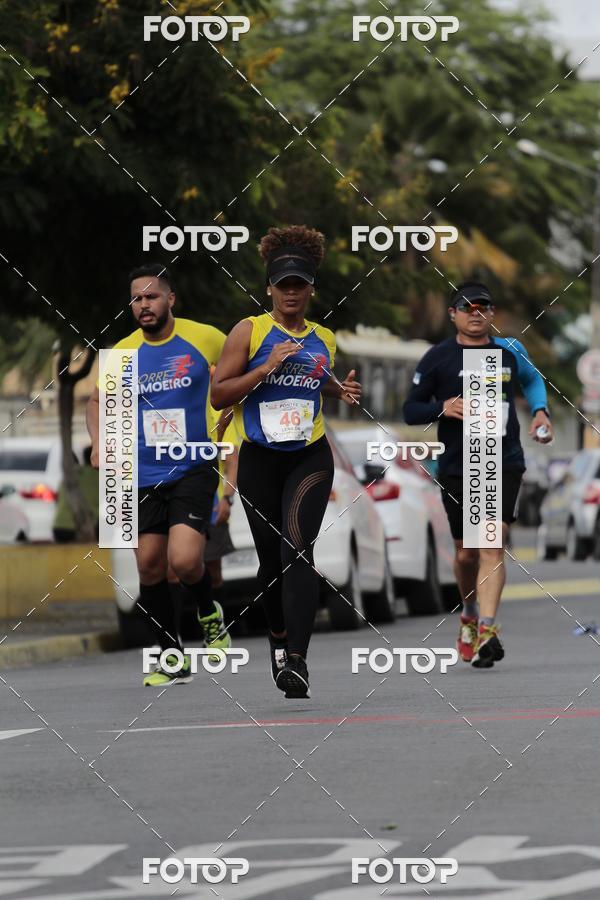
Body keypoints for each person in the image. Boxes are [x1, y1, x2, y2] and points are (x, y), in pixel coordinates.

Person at [211, 225, 361, 698]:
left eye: (300, 285)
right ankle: (278, 637)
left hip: (309, 455)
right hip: (260, 457)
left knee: (298, 549)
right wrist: (265, 366)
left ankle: (297, 659)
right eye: (284, 285)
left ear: (311, 289)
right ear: (269, 289)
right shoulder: (249, 331)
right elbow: (219, 396)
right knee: (270, 563)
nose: (291, 293)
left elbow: (316, 378)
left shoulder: (325, 338)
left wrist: (342, 390)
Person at [86, 264, 232, 686]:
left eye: (151, 297)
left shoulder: (205, 338)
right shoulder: (123, 353)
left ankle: (207, 610)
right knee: (148, 567)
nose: (143, 305)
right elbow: (95, 402)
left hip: (193, 466)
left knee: (184, 561)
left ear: (170, 299)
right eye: (136, 299)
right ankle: (172, 656)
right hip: (140, 472)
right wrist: (99, 442)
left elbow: (236, 381)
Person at [403, 281, 553, 668]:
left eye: (483, 307)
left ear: (491, 314)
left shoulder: (509, 351)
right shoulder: (437, 358)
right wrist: (443, 407)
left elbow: (533, 380)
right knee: (466, 553)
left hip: (502, 459)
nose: (475, 313)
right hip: (457, 465)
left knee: (493, 540)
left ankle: (487, 628)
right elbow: (411, 410)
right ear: (453, 314)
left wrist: (540, 412)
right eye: (467, 307)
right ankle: (468, 613)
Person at [52, 446, 99, 543]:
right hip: (81, 528)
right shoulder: (99, 477)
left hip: (59, 526)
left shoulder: (70, 475)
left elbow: (58, 499)